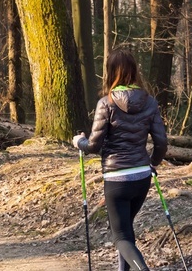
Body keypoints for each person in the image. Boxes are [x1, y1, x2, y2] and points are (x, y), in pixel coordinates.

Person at [72, 49, 168, 271]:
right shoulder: (150, 102)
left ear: (110, 72)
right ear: (134, 71)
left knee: (121, 237)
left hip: (117, 179)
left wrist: (79, 142)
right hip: (142, 176)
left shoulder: (106, 103)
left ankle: (142, 269)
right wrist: (153, 163)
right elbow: (161, 143)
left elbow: (94, 145)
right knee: (126, 230)